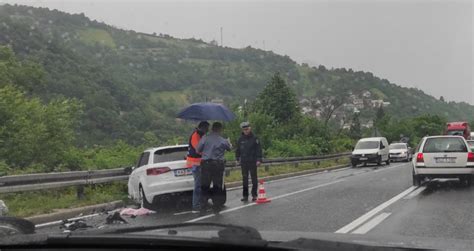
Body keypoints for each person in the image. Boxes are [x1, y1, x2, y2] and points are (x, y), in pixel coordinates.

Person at [197, 122, 231, 215]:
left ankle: (202, 207)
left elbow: (198, 149)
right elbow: (229, 148)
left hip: (206, 164)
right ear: (220, 129)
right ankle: (216, 207)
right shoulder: (223, 140)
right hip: (218, 165)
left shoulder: (205, 138)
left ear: (212, 129)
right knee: (217, 186)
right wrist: (229, 142)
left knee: (204, 186)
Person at [186, 121, 210, 213]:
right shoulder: (195, 135)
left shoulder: (201, 135)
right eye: (206, 128)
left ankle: (201, 204)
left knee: (201, 185)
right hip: (195, 164)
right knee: (198, 186)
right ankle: (196, 206)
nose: (207, 130)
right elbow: (198, 149)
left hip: (200, 163)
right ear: (202, 128)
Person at [236, 122, 262, 202]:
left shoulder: (255, 138)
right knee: (245, 179)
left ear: (250, 128)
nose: (246, 131)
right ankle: (245, 196)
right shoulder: (240, 139)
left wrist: (258, 160)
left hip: (252, 161)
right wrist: (237, 159)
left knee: (254, 179)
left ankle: (254, 195)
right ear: (242, 130)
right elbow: (238, 150)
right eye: (244, 130)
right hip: (244, 162)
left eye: (247, 129)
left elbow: (259, 150)